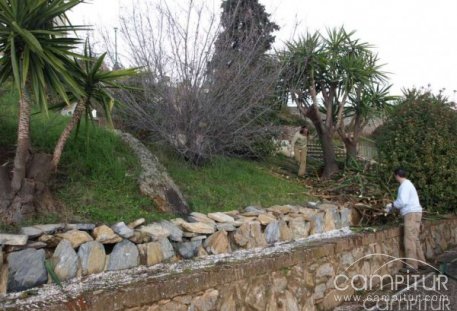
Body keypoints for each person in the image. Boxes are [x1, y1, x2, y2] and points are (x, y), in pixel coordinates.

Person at [385, 168, 426, 272]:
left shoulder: (404, 186)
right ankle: (421, 263)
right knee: (414, 238)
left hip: (411, 214)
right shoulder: (409, 184)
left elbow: (402, 201)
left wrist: (392, 205)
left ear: (397, 175)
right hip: (416, 213)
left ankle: (411, 266)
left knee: (409, 239)